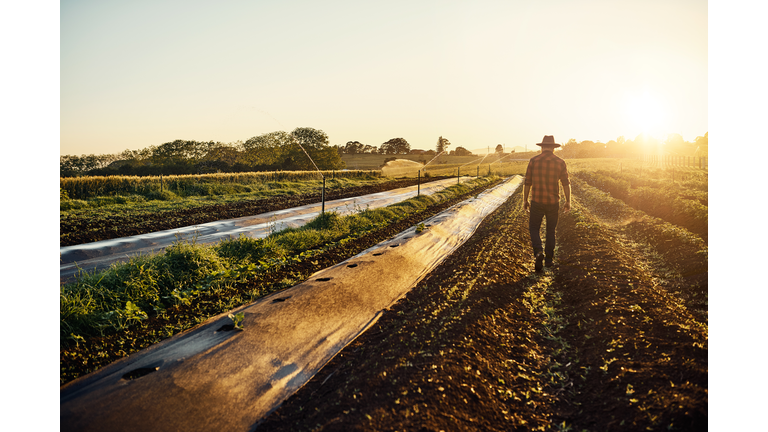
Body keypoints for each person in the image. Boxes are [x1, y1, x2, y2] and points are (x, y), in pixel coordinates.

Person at [523, 135, 571, 271]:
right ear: (553, 148)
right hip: (553, 202)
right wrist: (568, 201)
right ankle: (549, 261)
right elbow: (566, 183)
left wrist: (525, 200)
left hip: (537, 201)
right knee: (551, 231)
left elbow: (527, 182)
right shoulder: (560, 162)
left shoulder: (533, 161)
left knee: (534, 228)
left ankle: (538, 251)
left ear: (542, 147)